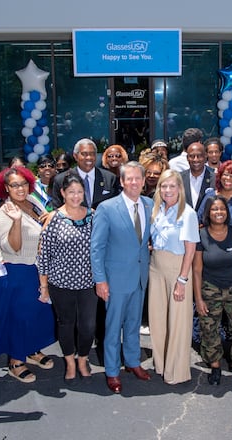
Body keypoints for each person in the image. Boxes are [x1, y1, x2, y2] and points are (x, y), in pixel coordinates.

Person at [91, 161, 153, 394]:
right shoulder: (107, 208)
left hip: (139, 277)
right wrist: (100, 280)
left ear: (144, 181)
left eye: (138, 178)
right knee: (113, 326)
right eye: (130, 179)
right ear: (122, 181)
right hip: (114, 280)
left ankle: (133, 361)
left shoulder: (148, 204)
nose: (134, 182)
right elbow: (96, 248)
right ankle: (112, 371)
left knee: (134, 324)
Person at [0, 166, 56, 383]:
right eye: (14, 185)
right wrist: (17, 221)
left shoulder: (32, 202)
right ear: (6, 188)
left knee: (36, 312)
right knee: (20, 316)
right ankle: (16, 360)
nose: (20, 188)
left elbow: (44, 222)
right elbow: (14, 248)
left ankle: (32, 349)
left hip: (35, 267)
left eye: (23, 183)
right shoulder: (5, 213)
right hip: (16, 269)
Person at [37, 173, 96, 382]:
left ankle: (83, 358)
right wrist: (44, 286)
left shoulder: (92, 216)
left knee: (88, 326)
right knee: (66, 323)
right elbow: (44, 254)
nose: (76, 196)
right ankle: (70, 361)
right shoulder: (53, 218)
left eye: (79, 192)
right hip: (60, 283)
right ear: (62, 193)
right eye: (71, 192)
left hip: (88, 282)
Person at [194, 196, 232, 387]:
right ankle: (215, 366)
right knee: (209, 330)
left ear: (227, 212)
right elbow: (197, 270)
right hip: (210, 288)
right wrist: (199, 299)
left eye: (222, 209)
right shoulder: (201, 235)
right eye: (214, 209)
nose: (218, 212)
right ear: (208, 213)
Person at [148, 170, 200, 384]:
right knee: (157, 320)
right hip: (156, 267)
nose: (167, 190)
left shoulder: (187, 214)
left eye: (172, 186)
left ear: (180, 188)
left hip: (178, 268)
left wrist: (182, 280)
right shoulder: (156, 209)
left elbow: (191, 249)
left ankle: (176, 371)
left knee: (179, 322)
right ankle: (161, 364)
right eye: (163, 186)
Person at [51, 138, 118, 209]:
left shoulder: (110, 178)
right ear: (75, 156)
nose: (89, 157)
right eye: (84, 154)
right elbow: (57, 209)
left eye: (92, 154)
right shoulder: (61, 180)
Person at [180, 141, 214, 211]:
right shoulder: (179, 178)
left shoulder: (215, 178)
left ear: (205, 156)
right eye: (192, 156)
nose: (196, 159)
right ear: (187, 158)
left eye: (199, 156)